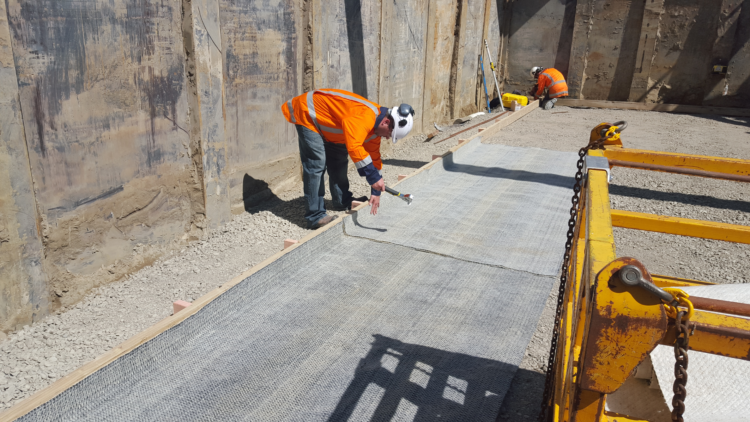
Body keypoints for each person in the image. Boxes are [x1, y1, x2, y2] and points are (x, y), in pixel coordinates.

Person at [281, 89, 415, 229]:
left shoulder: (375, 132)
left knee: (339, 159)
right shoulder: (366, 117)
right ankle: (315, 216)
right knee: (316, 163)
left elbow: (374, 158)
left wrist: (375, 191)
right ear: (386, 122)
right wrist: (373, 178)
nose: (387, 138)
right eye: (390, 134)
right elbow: (354, 147)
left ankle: (342, 201)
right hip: (308, 113)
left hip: (331, 124)